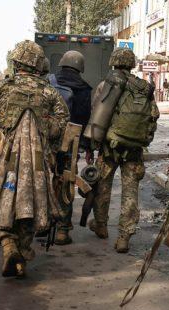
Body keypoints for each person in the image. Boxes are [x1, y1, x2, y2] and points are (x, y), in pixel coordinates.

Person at [0, 40, 69, 277]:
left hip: (2, 159)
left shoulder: (2, 89)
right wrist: (46, 141)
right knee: (32, 205)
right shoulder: (50, 93)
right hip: (37, 164)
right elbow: (62, 126)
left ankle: (8, 246)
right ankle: (23, 253)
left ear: (16, 63)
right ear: (38, 65)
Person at [88, 48, 159, 253]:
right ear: (132, 64)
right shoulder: (144, 88)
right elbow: (153, 115)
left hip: (109, 147)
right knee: (130, 193)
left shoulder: (106, 84)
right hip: (134, 149)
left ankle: (101, 225)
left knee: (102, 187)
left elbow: (96, 115)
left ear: (113, 62)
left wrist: (93, 146)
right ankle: (124, 237)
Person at [49, 50, 93, 245]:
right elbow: (84, 120)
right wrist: (87, 147)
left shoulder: (50, 82)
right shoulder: (84, 89)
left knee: (39, 179)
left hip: (47, 141)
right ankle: (62, 230)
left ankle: (40, 222)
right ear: (80, 67)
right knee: (66, 182)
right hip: (70, 145)